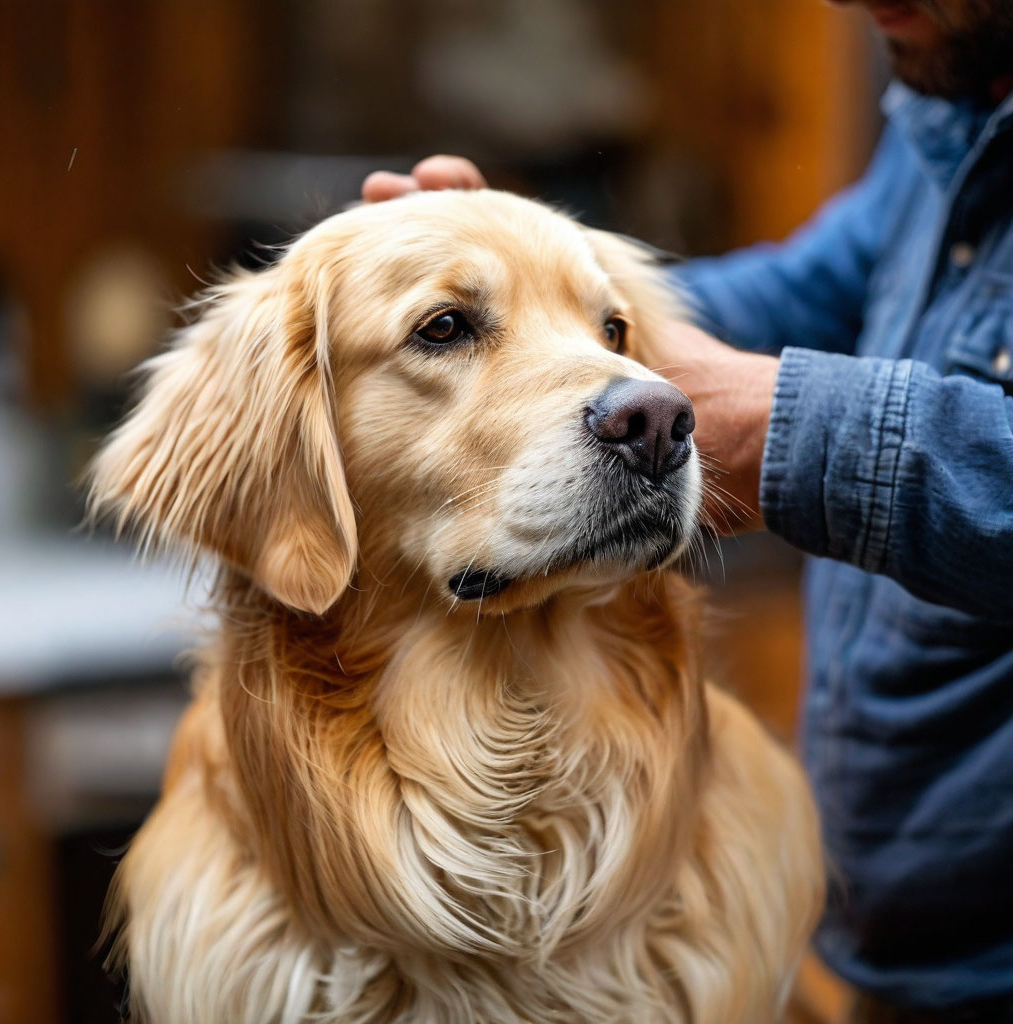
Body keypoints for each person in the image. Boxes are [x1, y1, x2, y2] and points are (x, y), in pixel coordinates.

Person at [362, 2, 1013, 1021]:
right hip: (901, 966)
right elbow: (800, 289)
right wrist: (534, 297)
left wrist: (791, 431)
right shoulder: (965, 93)